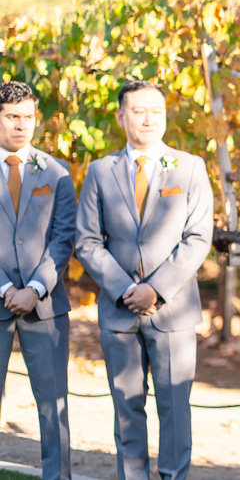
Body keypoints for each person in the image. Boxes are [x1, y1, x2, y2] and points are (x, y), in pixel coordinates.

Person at [76, 80, 214, 480]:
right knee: (126, 409)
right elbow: (86, 240)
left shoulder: (189, 167)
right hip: (118, 313)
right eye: (138, 110)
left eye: (156, 110)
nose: (149, 118)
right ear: (121, 117)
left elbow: (198, 237)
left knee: (175, 409)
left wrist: (156, 288)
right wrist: (124, 290)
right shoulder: (101, 171)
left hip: (173, 311)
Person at [0, 81, 76, 480]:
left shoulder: (56, 172)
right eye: (12, 117)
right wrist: (5, 288)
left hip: (44, 309)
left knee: (53, 407)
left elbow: (64, 238)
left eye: (28, 117)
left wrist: (35, 289)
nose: (21, 125)